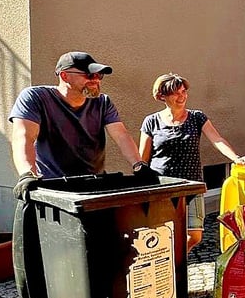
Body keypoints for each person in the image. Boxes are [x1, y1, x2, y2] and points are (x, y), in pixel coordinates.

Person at [139, 73, 245, 253]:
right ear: (162, 96)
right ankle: (169, 268)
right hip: (163, 188)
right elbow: (142, 159)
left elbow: (217, 140)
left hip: (192, 185)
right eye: (176, 93)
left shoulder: (197, 117)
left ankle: (173, 260)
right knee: (163, 234)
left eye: (184, 91)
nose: (182, 96)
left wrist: (236, 158)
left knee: (195, 235)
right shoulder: (151, 122)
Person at [9, 51, 149, 196]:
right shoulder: (35, 97)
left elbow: (121, 135)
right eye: (89, 75)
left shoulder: (102, 102)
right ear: (64, 75)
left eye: (99, 75)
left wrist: (138, 165)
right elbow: (24, 137)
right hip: (54, 188)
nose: (96, 80)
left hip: (94, 186)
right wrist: (27, 174)